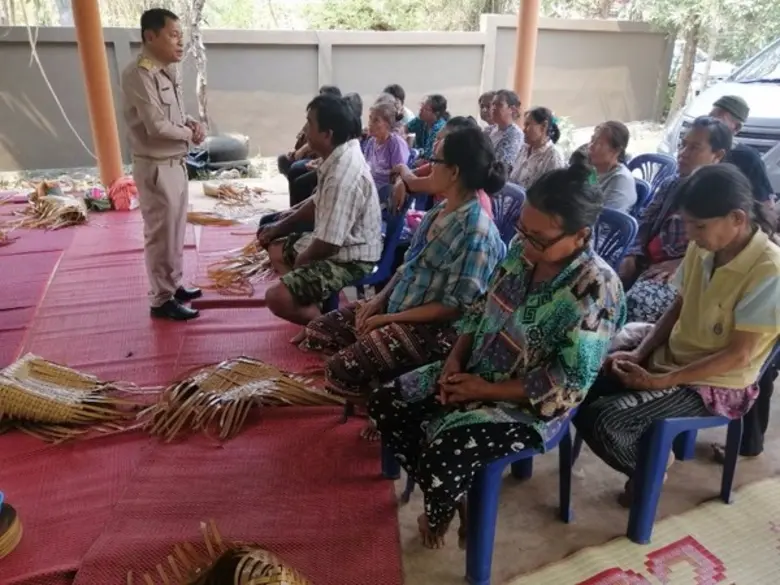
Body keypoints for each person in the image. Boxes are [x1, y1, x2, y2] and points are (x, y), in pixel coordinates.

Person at [368, 162, 625, 548]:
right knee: (387, 401)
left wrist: (482, 391)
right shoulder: (521, 253)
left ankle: (439, 513)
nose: (525, 243)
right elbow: (477, 311)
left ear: (580, 235)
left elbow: (566, 384)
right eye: (522, 229)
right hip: (476, 370)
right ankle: (453, 498)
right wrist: (455, 362)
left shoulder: (594, 288)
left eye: (538, 238)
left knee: (445, 449)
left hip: (528, 403)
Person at [575, 164, 780, 507]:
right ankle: (649, 459)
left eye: (699, 225)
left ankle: (653, 467)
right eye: (686, 222)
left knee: (607, 420)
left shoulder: (769, 270)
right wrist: (640, 352)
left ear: (737, 218)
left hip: (717, 382)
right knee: (579, 386)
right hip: (674, 357)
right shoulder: (704, 248)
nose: (690, 234)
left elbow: (739, 355)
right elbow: (679, 306)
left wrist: (662, 380)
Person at [301, 126, 506, 436]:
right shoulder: (440, 211)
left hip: (435, 330)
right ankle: (382, 392)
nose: (427, 166)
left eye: (435, 160)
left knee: (338, 371)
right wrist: (376, 302)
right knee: (318, 333)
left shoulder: (475, 230)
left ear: (453, 172)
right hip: (400, 307)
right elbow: (406, 267)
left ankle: (388, 410)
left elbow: (454, 309)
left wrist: (388, 318)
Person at [257, 94, 382, 326]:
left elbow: (329, 243)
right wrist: (278, 227)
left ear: (328, 134)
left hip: (352, 257)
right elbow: (317, 203)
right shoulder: (337, 155)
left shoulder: (342, 174)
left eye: (309, 123)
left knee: (276, 297)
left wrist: (301, 263)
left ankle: (323, 328)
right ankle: (315, 312)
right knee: (275, 248)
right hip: (339, 245)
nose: (305, 129)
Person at [121, 8, 205, 321]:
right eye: (173, 35)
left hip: (175, 162)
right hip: (156, 166)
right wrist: (188, 135)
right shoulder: (138, 74)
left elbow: (172, 116)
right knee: (160, 234)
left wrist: (191, 124)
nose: (179, 42)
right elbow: (156, 126)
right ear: (150, 36)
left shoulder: (167, 71)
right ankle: (160, 299)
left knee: (175, 230)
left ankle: (174, 284)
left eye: (180, 36)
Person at [708, 97, 778, 466]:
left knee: (759, 357)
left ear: (735, 124)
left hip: (760, 248)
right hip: (741, 243)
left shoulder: (746, 159)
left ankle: (749, 440)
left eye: (721, 116)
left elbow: (766, 202)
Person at [620, 117, 731, 323]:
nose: (682, 153)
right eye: (683, 145)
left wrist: (682, 263)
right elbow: (645, 220)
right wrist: (632, 253)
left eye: (694, 148)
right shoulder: (671, 183)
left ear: (718, 155)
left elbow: (719, 249)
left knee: (637, 305)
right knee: (598, 284)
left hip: (677, 271)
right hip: (645, 258)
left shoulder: (721, 197)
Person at [390, 117, 494, 219]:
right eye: (436, 138)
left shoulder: (470, 220)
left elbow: (413, 182)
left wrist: (401, 168)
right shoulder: (454, 194)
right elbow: (411, 177)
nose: (435, 145)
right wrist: (401, 180)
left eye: (442, 141)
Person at [709, 95, 774, 208]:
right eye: (709, 118)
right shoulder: (700, 149)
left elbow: (766, 205)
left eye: (718, 121)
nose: (710, 124)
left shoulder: (747, 158)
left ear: (736, 128)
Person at [278, 85, 342, 177]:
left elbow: (322, 141)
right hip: (310, 156)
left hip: (320, 158)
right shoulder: (317, 115)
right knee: (283, 160)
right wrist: (296, 151)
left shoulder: (335, 119)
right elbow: (305, 135)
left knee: (296, 169)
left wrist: (303, 150)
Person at [362, 96, 410, 203]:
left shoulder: (395, 143)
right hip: (370, 192)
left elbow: (399, 175)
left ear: (388, 124)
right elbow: (364, 168)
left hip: (385, 197)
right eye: (370, 118)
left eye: (376, 120)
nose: (370, 123)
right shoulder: (371, 142)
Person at [509, 106, 566, 189]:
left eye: (528, 125)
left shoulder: (553, 156)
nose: (524, 130)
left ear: (543, 126)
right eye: (524, 125)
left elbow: (551, 192)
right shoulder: (523, 148)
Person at [587, 121, 636, 213]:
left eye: (598, 143)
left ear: (616, 151)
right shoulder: (592, 171)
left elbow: (605, 222)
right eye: (592, 140)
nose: (591, 146)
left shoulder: (620, 180)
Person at [485, 89, 524, 167]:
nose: (493, 108)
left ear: (512, 109)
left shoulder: (515, 135)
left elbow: (502, 164)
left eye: (499, 104)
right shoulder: (488, 130)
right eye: (493, 104)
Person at [407, 95, 450, 161]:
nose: (421, 110)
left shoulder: (439, 129)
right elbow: (404, 129)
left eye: (426, 109)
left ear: (436, 113)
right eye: (422, 106)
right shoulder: (420, 120)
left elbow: (429, 159)